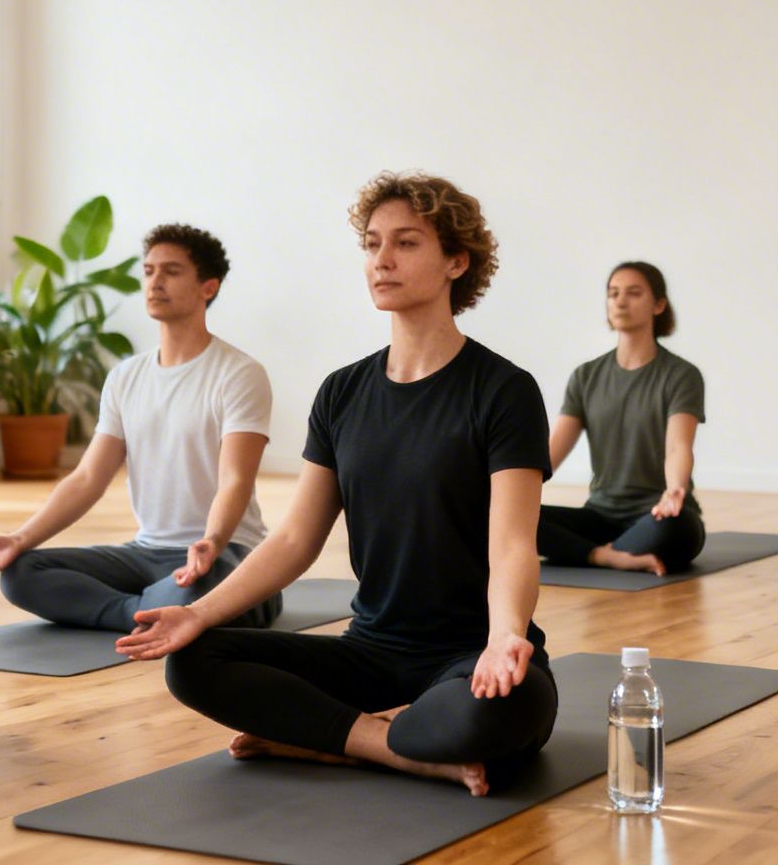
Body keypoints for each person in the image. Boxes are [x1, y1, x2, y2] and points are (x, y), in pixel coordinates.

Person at [117, 172, 559, 797]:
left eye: (406, 243)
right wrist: (198, 615)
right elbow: (295, 537)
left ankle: (331, 738)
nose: (382, 259)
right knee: (193, 662)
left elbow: (513, 542)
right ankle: (388, 747)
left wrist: (506, 637)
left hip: (469, 655)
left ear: (456, 261)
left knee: (500, 710)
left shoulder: (503, 390)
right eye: (373, 243)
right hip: (370, 654)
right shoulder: (342, 393)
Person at [0, 224, 283, 632]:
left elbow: (235, 479)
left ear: (208, 287)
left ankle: (159, 609)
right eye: (148, 271)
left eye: (171, 271)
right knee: (22, 573)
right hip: (144, 553)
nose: (155, 282)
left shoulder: (239, 373)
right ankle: (144, 614)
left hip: (224, 553)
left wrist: (213, 541)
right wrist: (19, 539)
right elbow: (89, 477)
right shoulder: (126, 377)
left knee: (194, 590)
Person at [539, 261, 706, 575]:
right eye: (613, 293)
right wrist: (500, 489)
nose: (620, 301)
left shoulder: (682, 375)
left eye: (633, 293)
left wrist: (674, 490)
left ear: (658, 305)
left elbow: (678, 447)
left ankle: (590, 553)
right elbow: (550, 454)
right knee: (496, 515)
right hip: (599, 518)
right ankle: (605, 556)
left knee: (680, 527)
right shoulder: (585, 376)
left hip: (657, 515)